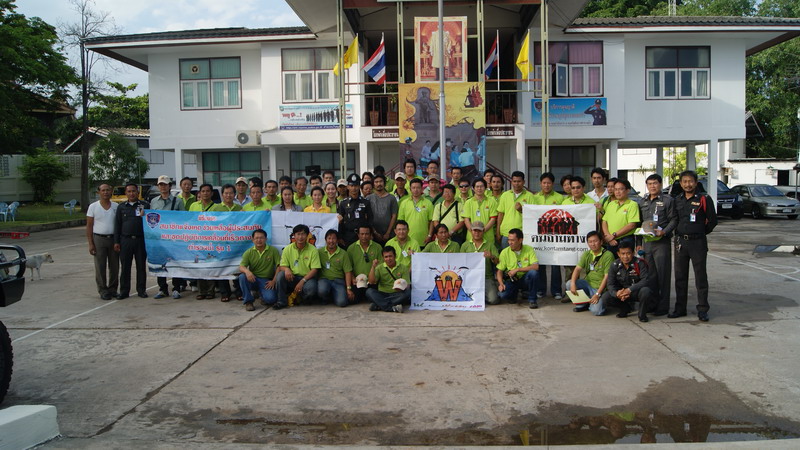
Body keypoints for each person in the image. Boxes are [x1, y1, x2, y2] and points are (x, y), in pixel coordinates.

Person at [672, 170, 717, 322]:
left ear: (696, 183)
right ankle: (680, 308)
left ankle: (703, 309)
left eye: (690, 181)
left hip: (698, 242)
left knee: (700, 277)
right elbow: (675, 219)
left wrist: (699, 232)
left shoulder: (704, 199)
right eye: (684, 181)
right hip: (680, 242)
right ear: (680, 183)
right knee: (680, 277)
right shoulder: (677, 199)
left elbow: (712, 221)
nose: (688, 184)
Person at [639, 174, 678, 316]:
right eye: (649, 184)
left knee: (663, 275)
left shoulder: (668, 200)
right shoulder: (643, 201)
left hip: (661, 243)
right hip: (647, 244)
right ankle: (652, 304)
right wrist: (639, 244)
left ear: (660, 184)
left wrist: (665, 232)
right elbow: (639, 224)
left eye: (655, 183)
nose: (652, 186)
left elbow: (674, 220)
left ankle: (663, 306)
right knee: (650, 276)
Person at [599, 240, 654, 322]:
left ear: (633, 253)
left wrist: (629, 290)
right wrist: (617, 294)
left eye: (628, 253)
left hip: (635, 292)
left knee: (646, 291)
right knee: (605, 297)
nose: (625, 256)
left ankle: (642, 315)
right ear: (618, 254)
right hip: (621, 294)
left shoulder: (640, 263)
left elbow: (645, 280)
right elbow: (610, 284)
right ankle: (625, 309)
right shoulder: (614, 265)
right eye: (623, 254)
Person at [149, 175, 185, 299]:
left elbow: (183, 219)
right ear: (158, 186)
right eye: (161, 184)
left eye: (165, 184)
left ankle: (176, 288)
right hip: (159, 239)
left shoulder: (178, 201)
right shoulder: (154, 202)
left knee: (175, 262)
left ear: (170, 186)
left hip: (173, 238)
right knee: (160, 263)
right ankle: (162, 288)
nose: (163, 187)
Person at [114, 183, 150, 299]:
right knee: (125, 267)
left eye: (134, 191)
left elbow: (150, 222)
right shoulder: (121, 207)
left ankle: (141, 290)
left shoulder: (145, 205)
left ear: (138, 192)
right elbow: (117, 225)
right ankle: (124, 291)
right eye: (129, 191)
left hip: (140, 240)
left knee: (141, 266)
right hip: (125, 240)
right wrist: (116, 241)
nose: (131, 193)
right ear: (126, 193)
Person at [275, 224, 321, 309]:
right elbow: (282, 265)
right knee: (280, 275)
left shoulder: (313, 250)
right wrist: (287, 269)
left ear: (307, 235)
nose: (300, 237)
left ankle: (300, 298)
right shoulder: (287, 249)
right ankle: (281, 301)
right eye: (298, 234)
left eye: (303, 234)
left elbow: (315, 269)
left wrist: (303, 281)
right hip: (292, 277)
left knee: (311, 290)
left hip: (307, 278)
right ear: (294, 235)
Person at [567, 231, 613, 315]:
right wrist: (573, 283)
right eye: (590, 242)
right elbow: (577, 269)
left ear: (601, 242)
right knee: (569, 283)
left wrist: (597, 294)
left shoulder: (608, 255)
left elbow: (606, 277)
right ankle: (583, 304)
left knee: (597, 311)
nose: (593, 244)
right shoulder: (587, 254)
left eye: (595, 241)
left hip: (600, 288)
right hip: (588, 284)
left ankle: (599, 303)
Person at [86, 183, 119, 300]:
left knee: (114, 266)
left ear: (111, 191)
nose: (106, 192)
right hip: (99, 239)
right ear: (98, 192)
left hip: (113, 239)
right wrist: (91, 243)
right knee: (100, 266)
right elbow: (89, 226)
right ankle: (103, 290)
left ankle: (113, 289)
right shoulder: (93, 207)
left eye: (108, 190)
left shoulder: (116, 206)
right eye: (103, 190)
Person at [496, 228, 540, 308]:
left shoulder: (529, 249)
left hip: (525, 279)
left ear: (520, 240)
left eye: (512, 240)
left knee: (533, 273)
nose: (510, 242)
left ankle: (532, 300)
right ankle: (514, 295)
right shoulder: (505, 252)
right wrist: (501, 283)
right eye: (509, 240)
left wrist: (517, 269)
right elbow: (499, 271)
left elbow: (536, 266)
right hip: (512, 280)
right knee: (502, 295)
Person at [238, 229, 280, 311]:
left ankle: (260, 294)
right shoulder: (249, 252)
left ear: (266, 239)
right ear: (252, 240)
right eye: (256, 238)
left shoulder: (273, 250)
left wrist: (274, 281)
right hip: (253, 278)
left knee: (271, 300)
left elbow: (279, 266)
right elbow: (241, 267)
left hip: (266, 280)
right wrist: (247, 272)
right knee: (242, 277)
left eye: (261, 238)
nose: (259, 240)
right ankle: (248, 302)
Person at [190, 184, 220, 299]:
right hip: (197, 240)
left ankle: (210, 291)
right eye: (203, 191)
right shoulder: (193, 206)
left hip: (211, 240)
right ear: (199, 193)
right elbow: (189, 220)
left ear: (212, 193)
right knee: (199, 265)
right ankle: (201, 291)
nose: (205, 193)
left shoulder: (217, 207)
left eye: (208, 191)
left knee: (210, 265)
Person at [461, 221, 499, 305]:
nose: (477, 233)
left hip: (486, 277)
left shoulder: (490, 245)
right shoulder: (465, 245)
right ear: (471, 231)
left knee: (493, 300)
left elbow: (498, 262)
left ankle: (480, 295)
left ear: (483, 231)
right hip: (469, 278)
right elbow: (460, 263)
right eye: (475, 230)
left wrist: (491, 256)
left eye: (479, 231)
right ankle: (478, 295)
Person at [496, 171, 535, 249]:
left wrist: (522, 210)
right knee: (506, 255)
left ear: (524, 182)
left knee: (521, 255)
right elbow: (500, 214)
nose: (516, 184)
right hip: (506, 233)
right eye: (514, 181)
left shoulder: (530, 196)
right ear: (511, 182)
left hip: (522, 233)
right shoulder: (505, 195)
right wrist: (498, 232)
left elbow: (533, 215)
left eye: (519, 181)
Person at [317, 229, 355, 307]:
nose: (331, 241)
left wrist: (348, 288)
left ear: (337, 240)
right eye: (329, 238)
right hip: (324, 279)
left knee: (342, 303)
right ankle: (326, 297)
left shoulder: (343, 253)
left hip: (338, 281)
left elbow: (348, 272)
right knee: (322, 291)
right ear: (325, 240)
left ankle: (335, 296)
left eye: (334, 238)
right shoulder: (319, 252)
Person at [602, 178, 640, 256]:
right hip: (611, 240)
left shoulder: (632, 204)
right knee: (611, 262)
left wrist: (613, 235)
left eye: (620, 189)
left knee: (626, 261)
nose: (617, 192)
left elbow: (632, 225)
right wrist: (608, 236)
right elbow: (604, 221)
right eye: (616, 189)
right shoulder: (611, 204)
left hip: (625, 239)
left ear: (628, 190)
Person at [366, 246, 411, 313]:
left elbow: (407, 285)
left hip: (397, 294)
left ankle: (379, 305)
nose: (388, 259)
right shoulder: (379, 268)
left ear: (395, 256)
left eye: (390, 256)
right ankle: (392, 308)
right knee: (369, 291)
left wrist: (401, 287)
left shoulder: (403, 267)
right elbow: (371, 282)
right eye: (386, 257)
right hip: (382, 293)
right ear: (383, 258)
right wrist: (373, 267)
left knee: (407, 293)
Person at [347, 225, 383, 304]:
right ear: (358, 235)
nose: (364, 236)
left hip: (372, 281)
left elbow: (381, 266)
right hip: (358, 281)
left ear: (371, 235)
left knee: (374, 296)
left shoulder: (378, 247)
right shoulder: (351, 248)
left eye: (367, 234)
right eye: (362, 234)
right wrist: (353, 278)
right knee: (352, 300)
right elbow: (348, 267)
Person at [338, 173, 373, 247]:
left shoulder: (365, 202)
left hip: (362, 236)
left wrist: (370, 234)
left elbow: (370, 220)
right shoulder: (343, 203)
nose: (354, 188)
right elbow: (340, 221)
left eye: (356, 186)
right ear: (348, 187)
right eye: (352, 186)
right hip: (348, 236)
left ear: (359, 186)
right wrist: (340, 237)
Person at [397, 178, 434, 246]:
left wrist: (429, 235)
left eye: (418, 188)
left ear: (422, 189)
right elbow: (400, 222)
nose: (416, 190)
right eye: (413, 188)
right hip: (407, 240)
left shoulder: (428, 203)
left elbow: (431, 221)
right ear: (410, 189)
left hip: (424, 240)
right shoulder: (404, 203)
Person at [462, 179, 498, 243]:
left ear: (485, 188)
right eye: (477, 186)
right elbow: (466, 219)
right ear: (473, 188)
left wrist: (483, 231)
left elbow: (493, 219)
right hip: (471, 237)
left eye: (481, 186)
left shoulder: (492, 201)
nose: (479, 188)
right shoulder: (468, 202)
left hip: (488, 237)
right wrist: (473, 232)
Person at [367, 174, 398, 246]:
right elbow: (367, 216)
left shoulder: (392, 198)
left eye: (381, 181)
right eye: (376, 182)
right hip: (373, 235)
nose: (379, 184)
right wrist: (374, 232)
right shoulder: (369, 198)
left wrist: (388, 233)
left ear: (384, 183)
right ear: (373, 184)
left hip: (389, 235)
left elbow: (394, 216)